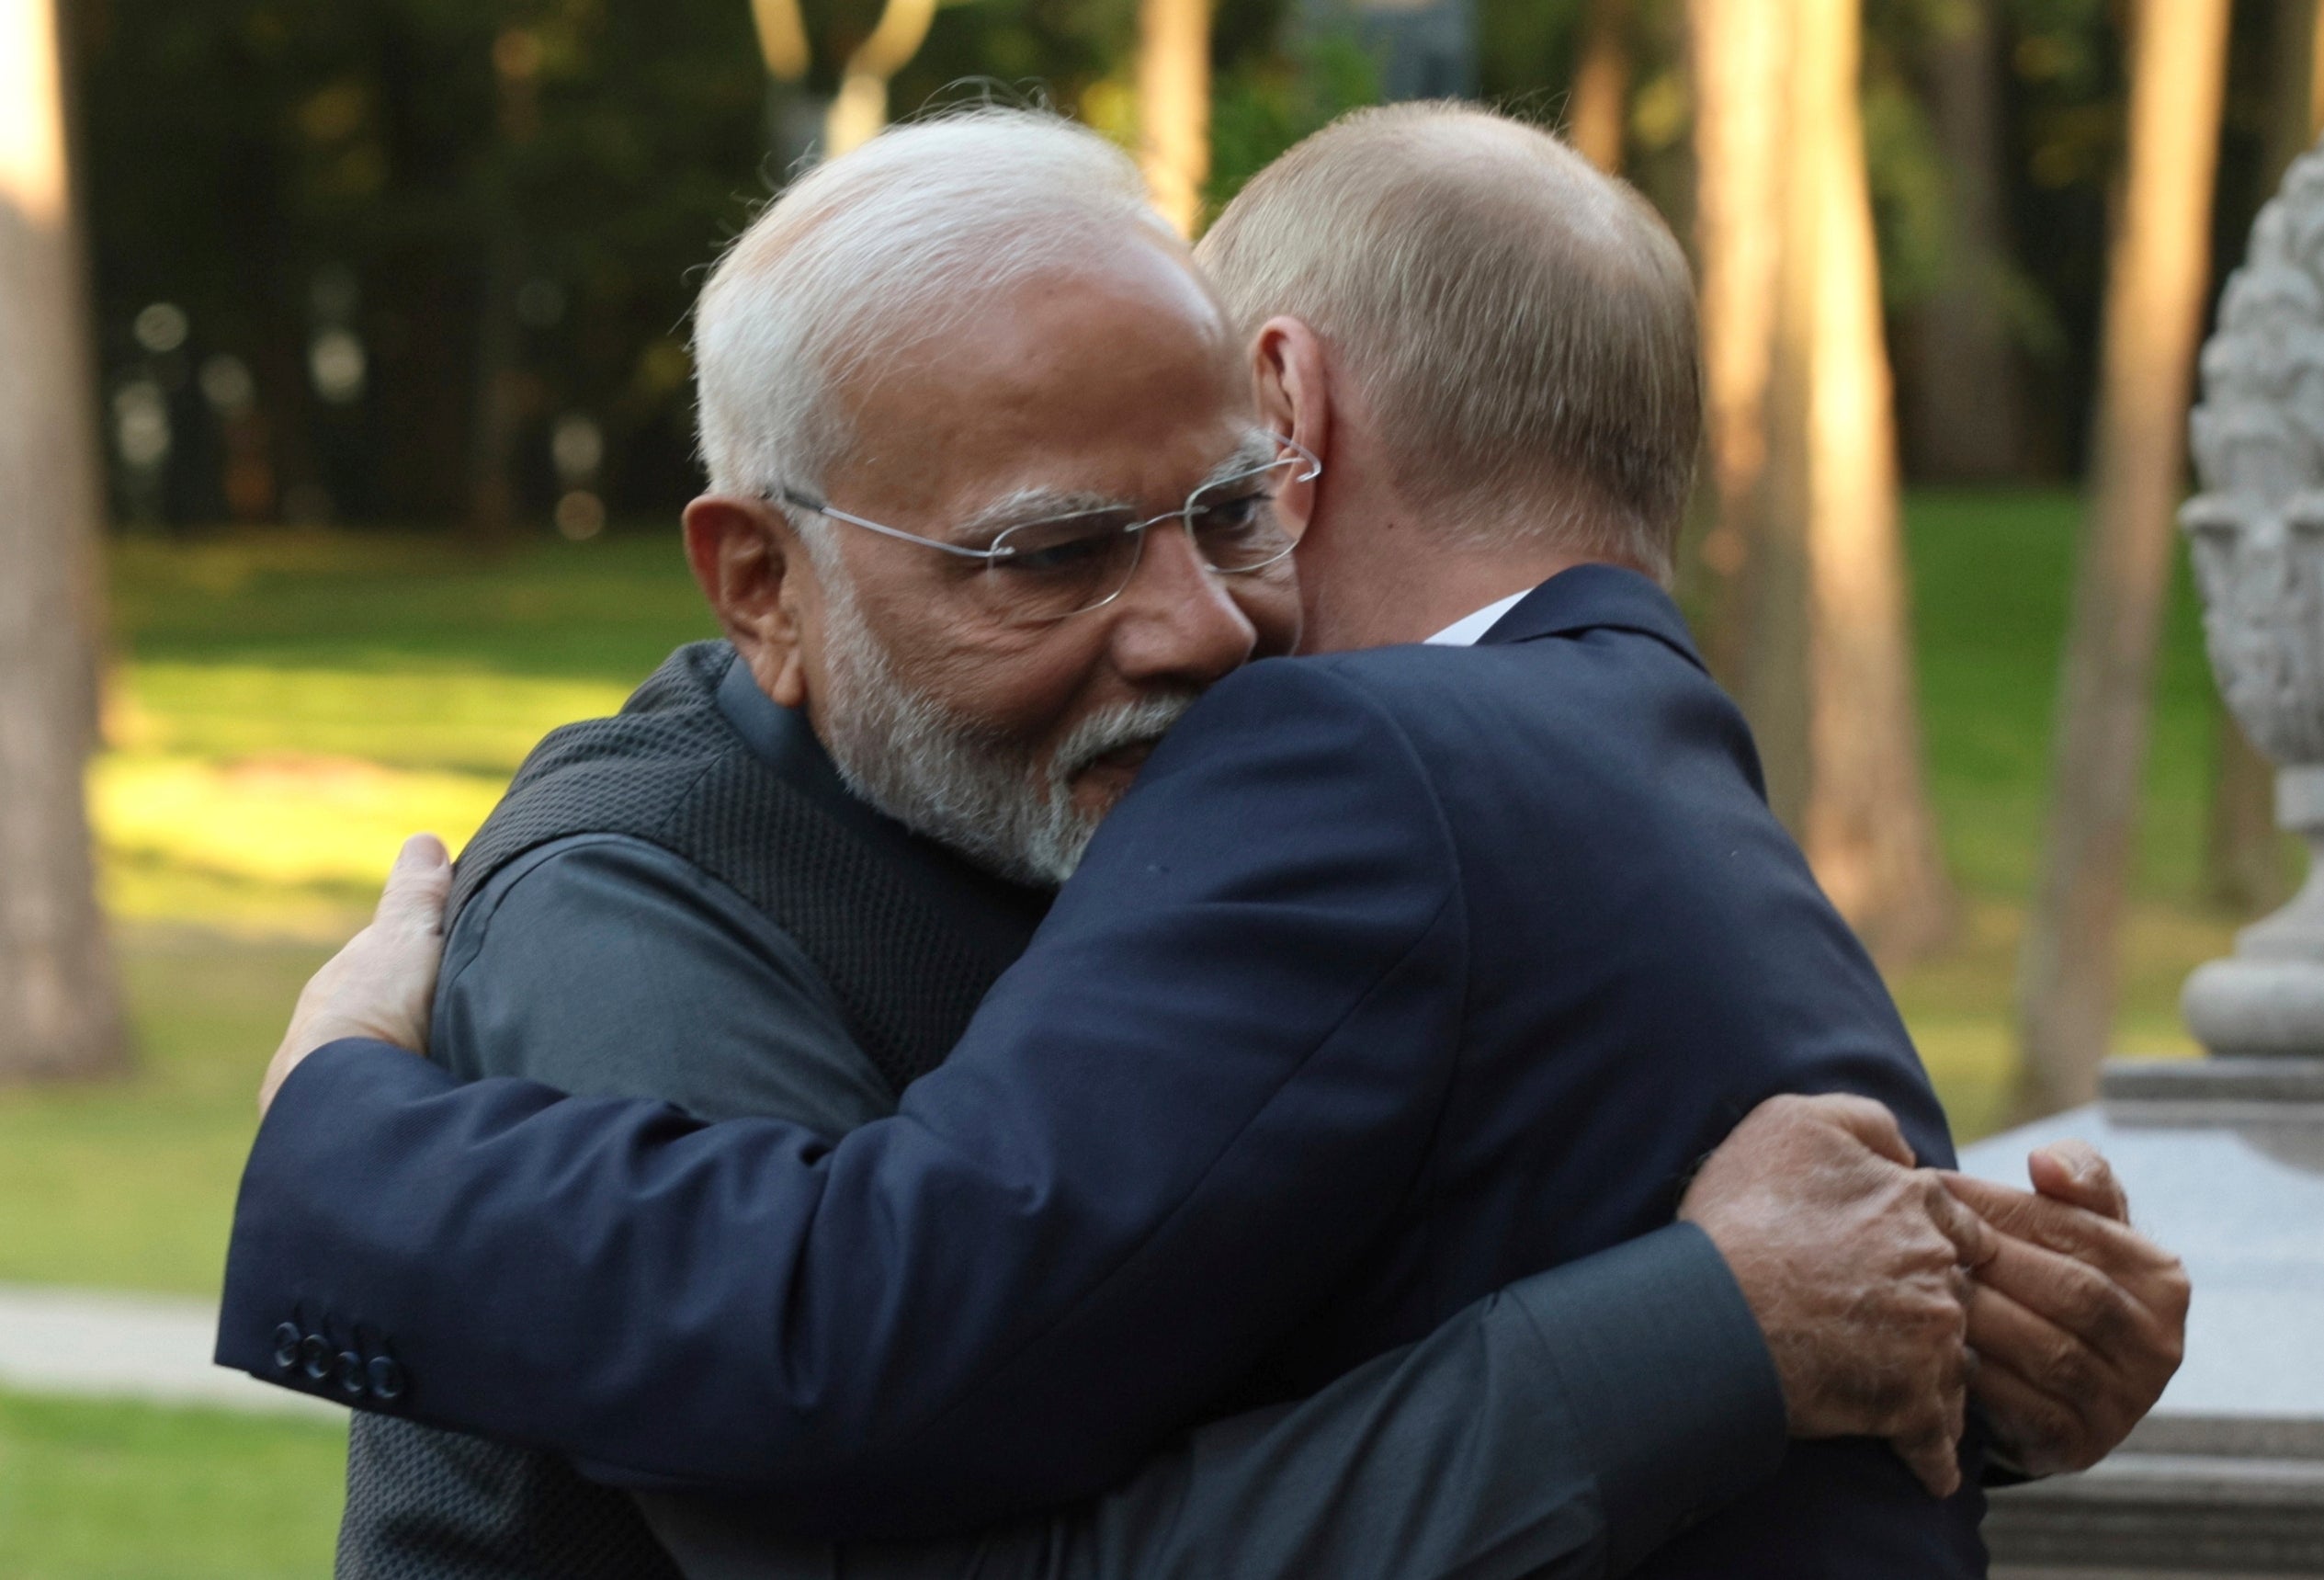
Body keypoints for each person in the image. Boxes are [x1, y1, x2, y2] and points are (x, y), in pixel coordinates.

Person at [221, 106, 2189, 1578]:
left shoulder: (1184, 802)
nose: (1203, 628)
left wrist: (1945, 1332)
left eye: (1232, 515)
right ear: (760, 578)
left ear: (1282, 428)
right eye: (1052, 551)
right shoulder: (642, 894)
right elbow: (871, 1429)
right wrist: (337, 1115)